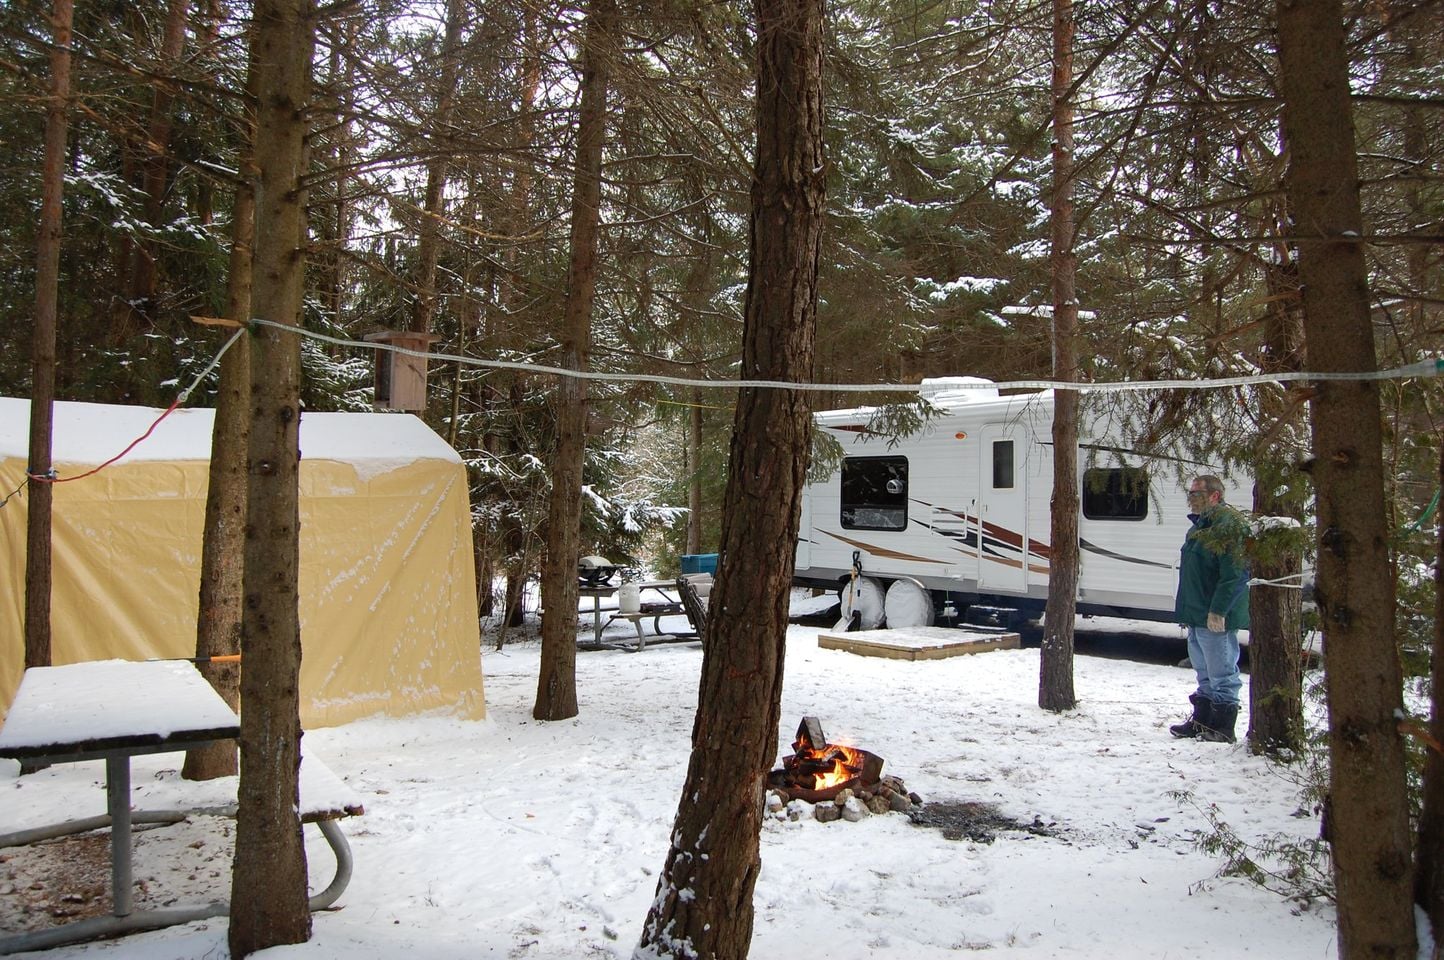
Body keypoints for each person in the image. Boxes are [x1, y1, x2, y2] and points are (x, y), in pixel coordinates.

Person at [1169, 474, 1249, 743]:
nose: (1191, 499)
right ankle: (1203, 722)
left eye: (1196, 494)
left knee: (1222, 672)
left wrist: (1219, 610)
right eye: (1190, 494)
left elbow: (1235, 574)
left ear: (1215, 495)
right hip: (1196, 614)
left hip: (1214, 615)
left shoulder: (1228, 526)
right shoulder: (1198, 526)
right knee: (1204, 671)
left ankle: (1223, 727)